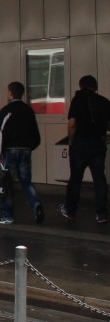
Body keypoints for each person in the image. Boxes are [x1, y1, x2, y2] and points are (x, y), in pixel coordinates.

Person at [59, 74, 110, 224]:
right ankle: (101, 214)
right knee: (99, 179)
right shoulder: (104, 101)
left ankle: (70, 211)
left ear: (81, 86)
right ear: (95, 87)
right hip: (98, 143)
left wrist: (71, 142)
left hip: (80, 143)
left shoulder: (78, 99)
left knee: (76, 178)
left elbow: (72, 124)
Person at [0, 81, 44, 225]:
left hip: (10, 150)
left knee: (6, 182)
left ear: (10, 93)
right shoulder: (28, 110)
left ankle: (7, 215)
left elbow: (2, 133)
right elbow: (36, 134)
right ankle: (36, 205)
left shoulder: (7, 110)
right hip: (26, 150)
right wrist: (30, 147)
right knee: (26, 181)